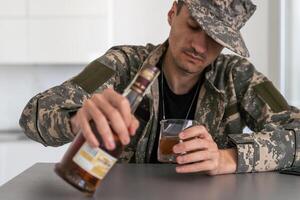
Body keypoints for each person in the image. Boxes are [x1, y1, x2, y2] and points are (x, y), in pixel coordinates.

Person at [19, 0, 300, 175]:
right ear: (172, 13)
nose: (200, 47)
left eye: (216, 39)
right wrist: (76, 120)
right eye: (193, 26)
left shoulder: (238, 76)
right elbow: (33, 114)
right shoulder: (124, 65)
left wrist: (230, 157)